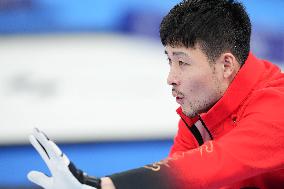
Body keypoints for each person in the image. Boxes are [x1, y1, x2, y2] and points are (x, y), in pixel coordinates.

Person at [27, 0, 284, 188]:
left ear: (226, 65)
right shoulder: (202, 109)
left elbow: (209, 165)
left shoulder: (276, 109)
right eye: (169, 61)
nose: (171, 78)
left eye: (182, 62)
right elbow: (176, 181)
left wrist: (100, 185)